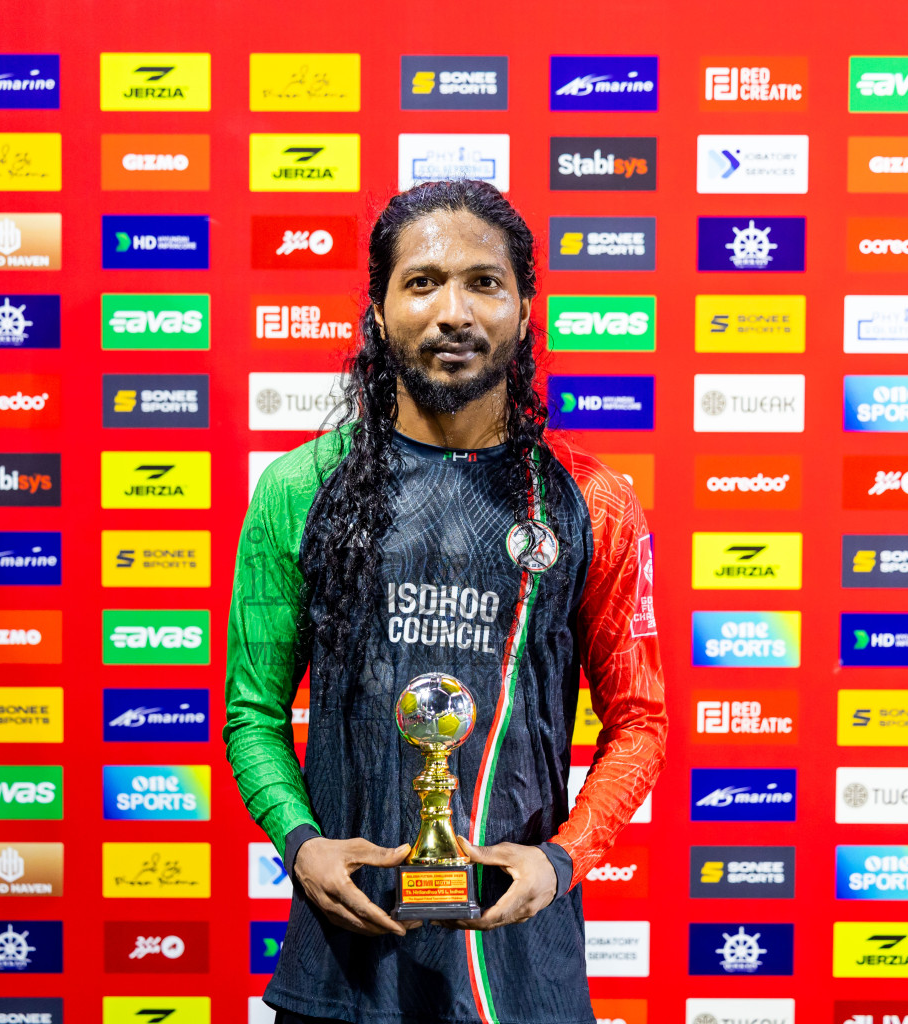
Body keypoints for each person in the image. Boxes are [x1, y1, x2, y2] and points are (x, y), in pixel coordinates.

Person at [224, 179, 669, 1024]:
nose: (453, 310)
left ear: (526, 307)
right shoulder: (297, 489)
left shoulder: (591, 500)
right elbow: (252, 712)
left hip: (521, 969)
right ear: (380, 309)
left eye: (483, 282)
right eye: (422, 282)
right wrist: (301, 844)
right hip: (345, 967)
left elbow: (641, 719)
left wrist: (563, 859)